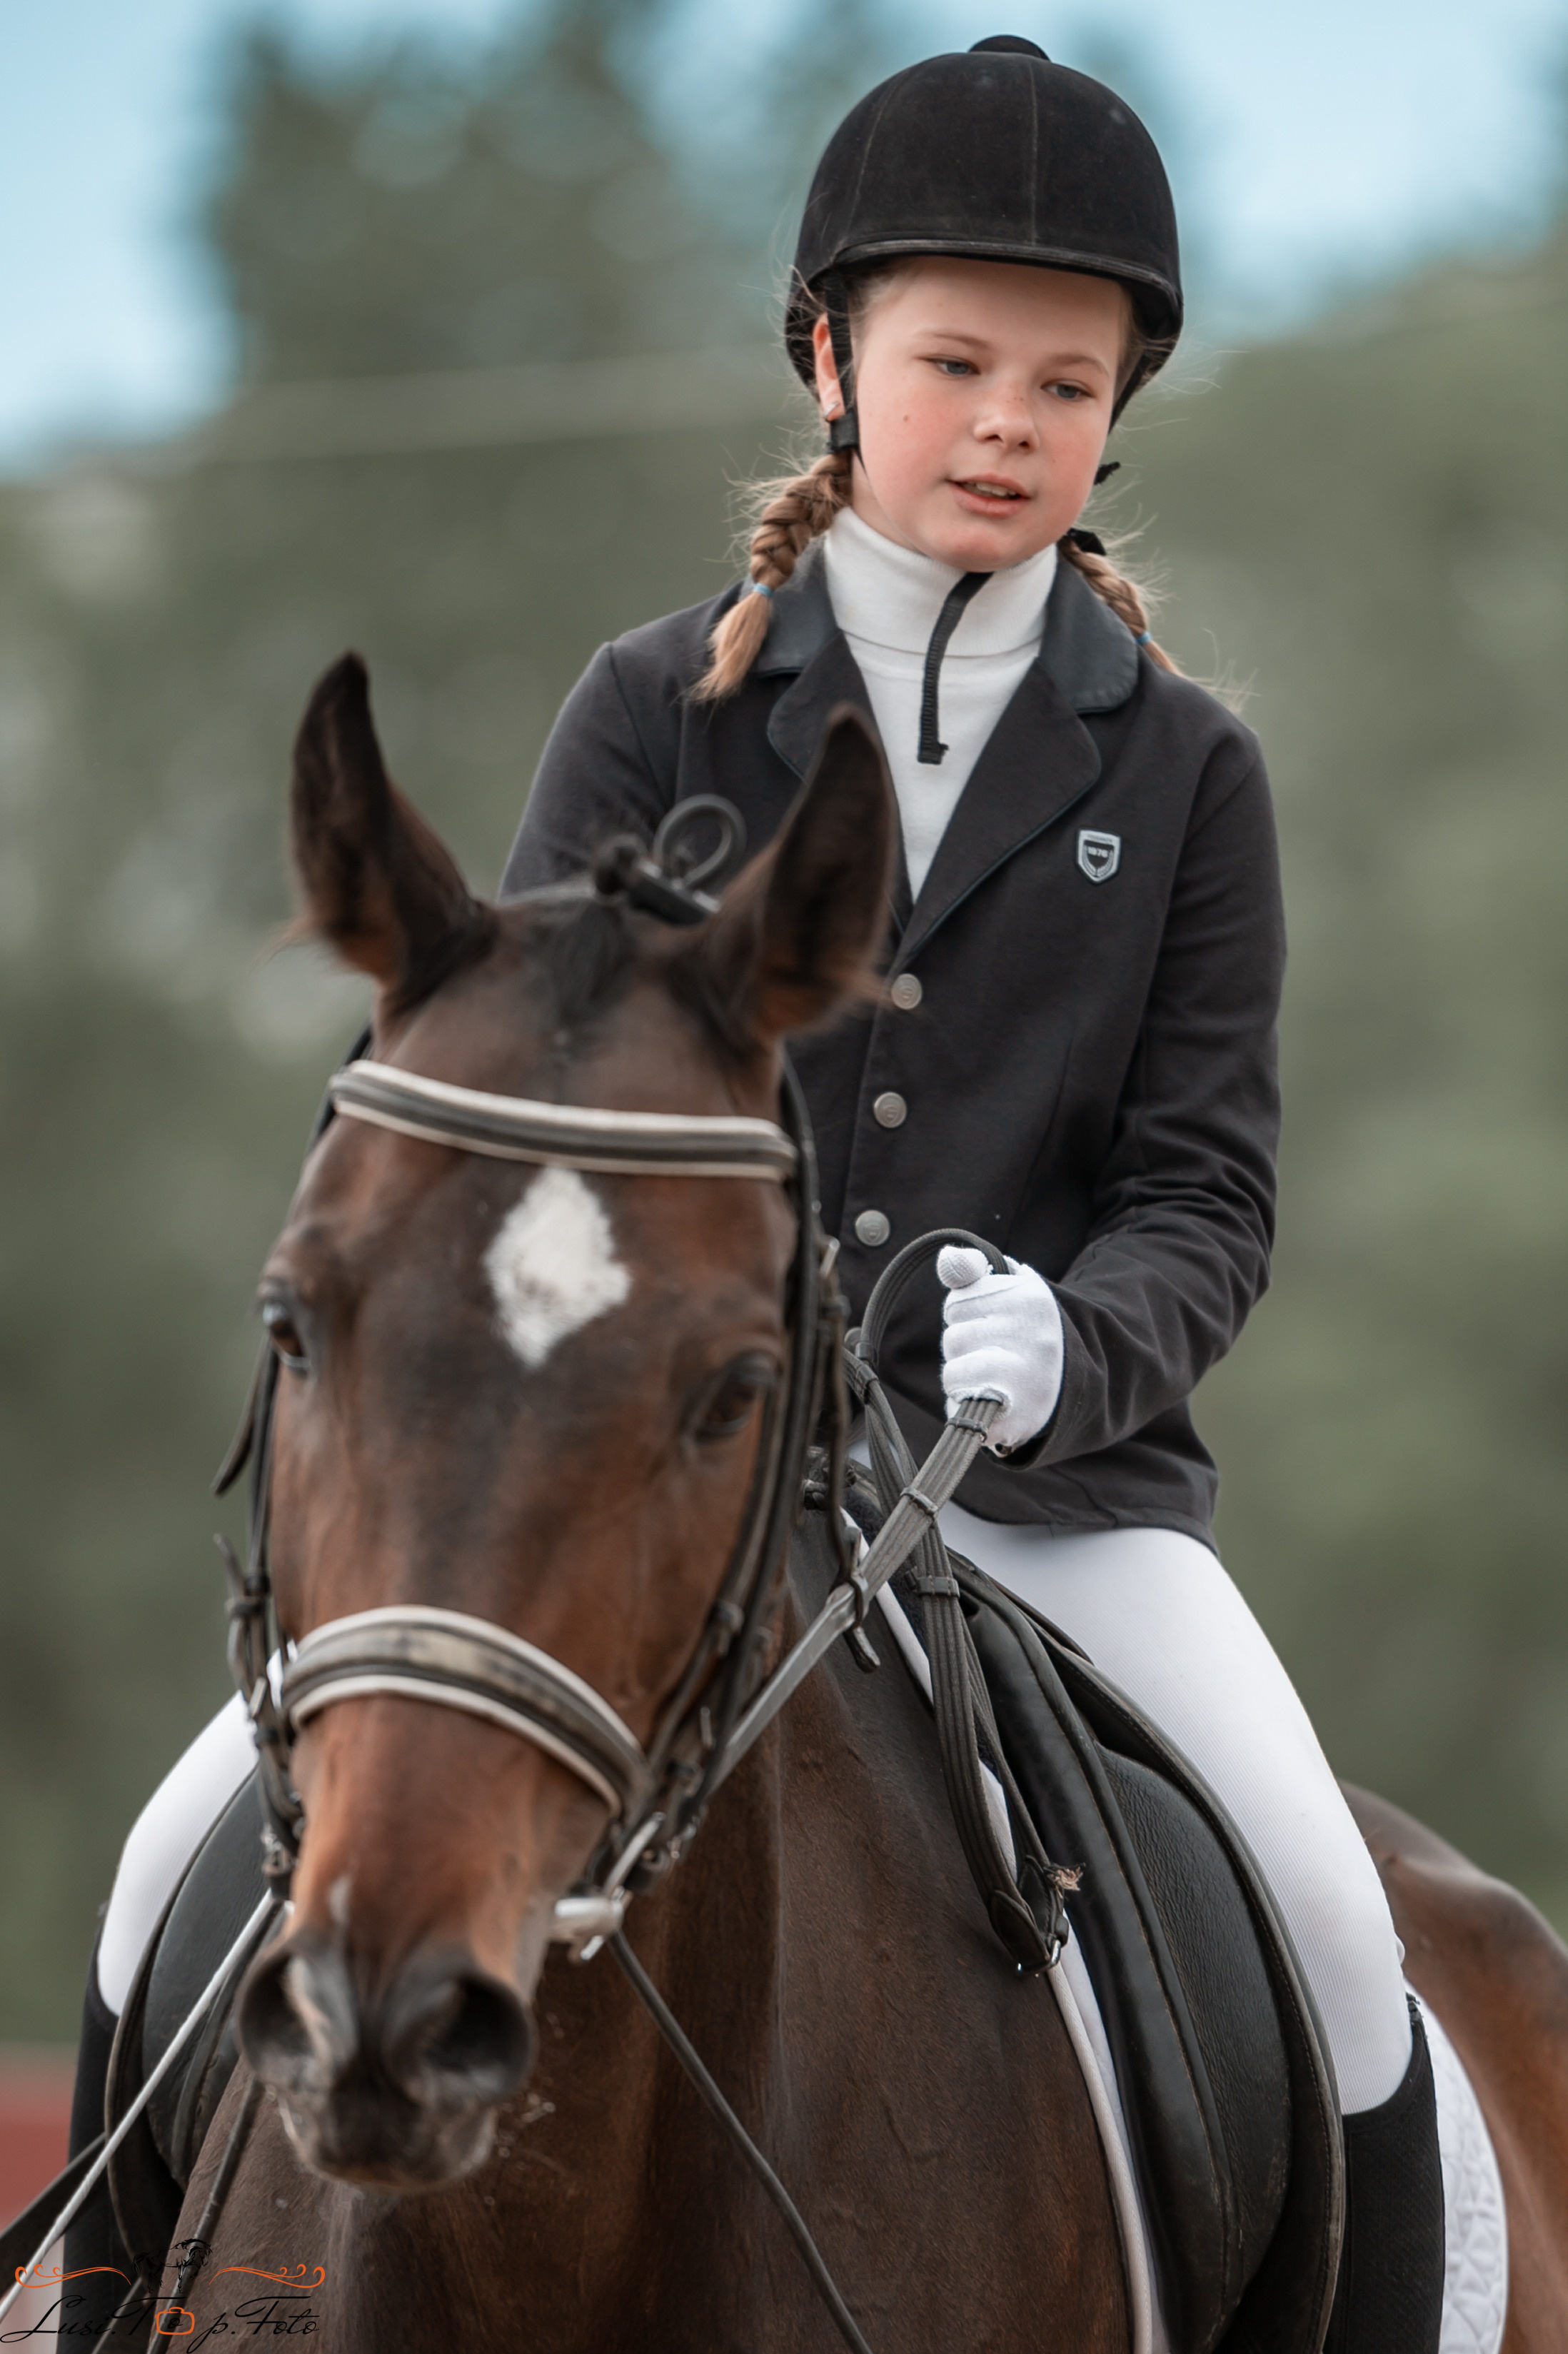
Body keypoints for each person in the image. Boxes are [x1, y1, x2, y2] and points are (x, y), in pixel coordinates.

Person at [76, 39, 1441, 2351]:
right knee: (166, 1862)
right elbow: (486, 1108)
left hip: (1054, 1495)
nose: (1006, 418)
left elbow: (1206, 1183)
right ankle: (111, 2309)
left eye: (1064, 379)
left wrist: (1071, 1342)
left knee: (1331, 1922)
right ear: (831, 359)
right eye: (953, 362)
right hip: (648, 1485)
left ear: (1117, 415)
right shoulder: (652, 708)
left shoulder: (1185, 771)